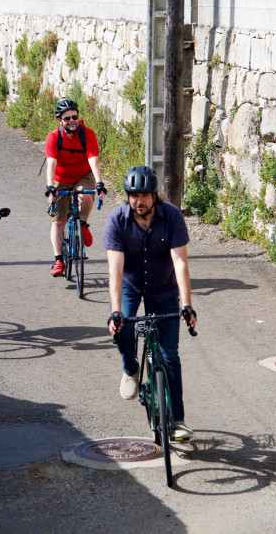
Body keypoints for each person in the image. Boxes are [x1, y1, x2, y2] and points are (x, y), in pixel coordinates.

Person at [104, 166, 198, 440]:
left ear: (155, 195)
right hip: (131, 285)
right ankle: (131, 369)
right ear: (128, 196)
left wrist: (187, 304)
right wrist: (116, 311)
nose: (139, 201)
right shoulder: (116, 220)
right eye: (134, 196)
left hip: (164, 287)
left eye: (145, 195)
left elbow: (180, 261)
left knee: (170, 356)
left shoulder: (171, 216)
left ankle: (178, 421)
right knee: (121, 327)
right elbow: (115, 271)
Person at [44, 98, 107, 277]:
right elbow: (51, 163)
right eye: (67, 118)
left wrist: (99, 183)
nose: (72, 121)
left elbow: (93, 160)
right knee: (58, 221)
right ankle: (58, 260)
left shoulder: (87, 134)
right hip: (60, 178)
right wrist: (50, 187)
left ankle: (83, 223)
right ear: (60, 120)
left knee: (86, 196)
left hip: (82, 176)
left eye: (75, 117)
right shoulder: (54, 137)